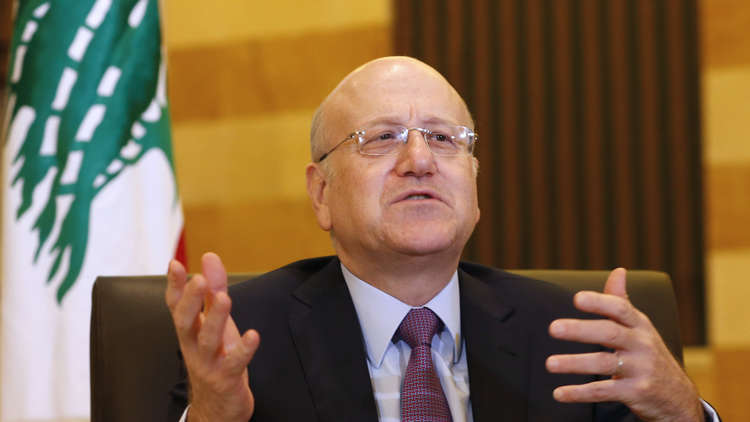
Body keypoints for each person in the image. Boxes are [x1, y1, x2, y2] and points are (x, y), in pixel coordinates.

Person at [165, 56, 717, 421]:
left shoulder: (577, 337)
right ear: (321, 193)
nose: (420, 160)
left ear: (474, 189)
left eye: (444, 138)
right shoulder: (237, 341)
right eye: (383, 137)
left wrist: (683, 410)